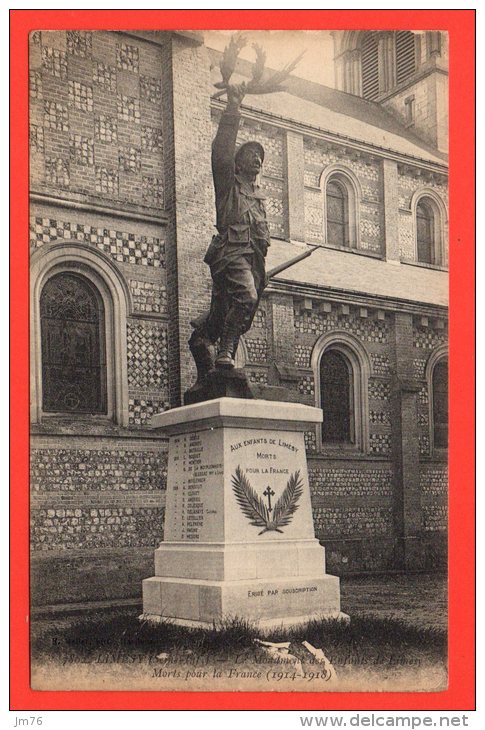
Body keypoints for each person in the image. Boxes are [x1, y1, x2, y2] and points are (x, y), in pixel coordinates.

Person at [189, 82, 270, 379]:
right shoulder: (228, 185)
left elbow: (262, 238)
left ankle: (206, 359)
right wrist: (233, 108)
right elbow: (220, 151)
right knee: (246, 298)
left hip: (253, 261)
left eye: (260, 156)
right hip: (230, 255)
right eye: (251, 153)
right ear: (238, 163)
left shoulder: (259, 198)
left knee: (224, 314)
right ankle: (226, 352)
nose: (257, 159)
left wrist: (262, 268)